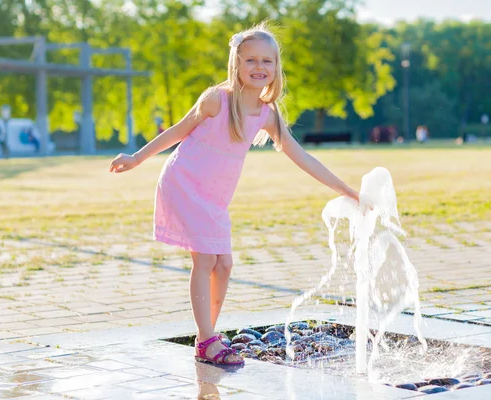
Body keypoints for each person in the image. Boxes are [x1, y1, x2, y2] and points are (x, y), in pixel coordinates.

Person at [109, 23, 361, 366]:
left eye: (267, 62)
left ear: (276, 68)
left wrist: (347, 190)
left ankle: (207, 334)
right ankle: (207, 340)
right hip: (183, 184)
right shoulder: (217, 99)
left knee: (224, 265)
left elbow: (302, 157)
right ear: (237, 64)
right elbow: (178, 130)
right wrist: (136, 158)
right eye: (251, 60)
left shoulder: (266, 115)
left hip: (213, 200)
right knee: (206, 260)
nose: (259, 68)